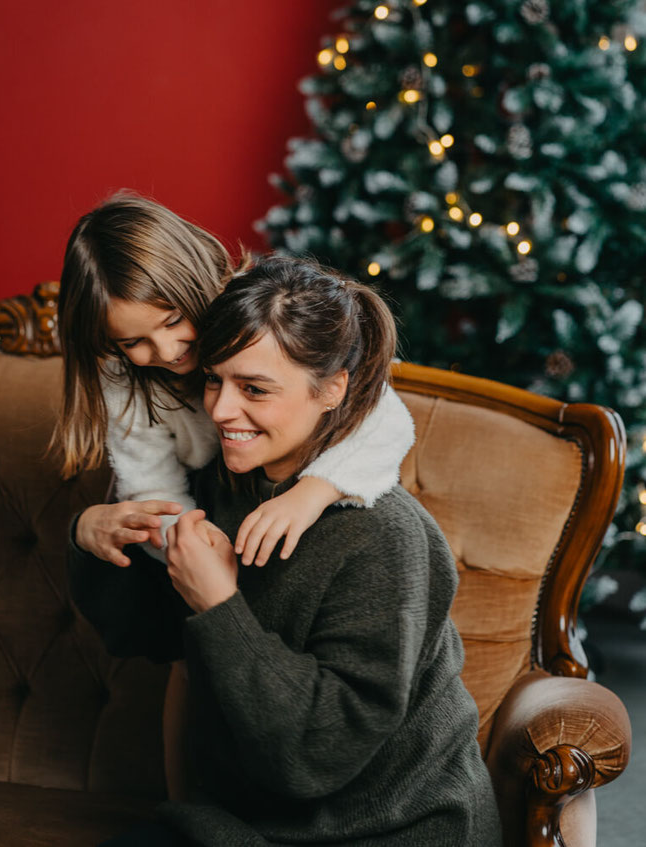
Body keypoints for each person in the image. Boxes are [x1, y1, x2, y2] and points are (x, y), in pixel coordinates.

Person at [68, 256, 503, 847]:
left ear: (331, 390)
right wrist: (92, 535)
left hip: (391, 830)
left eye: (254, 389)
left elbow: (317, 754)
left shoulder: (384, 536)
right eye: (215, 380)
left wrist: (218, 602)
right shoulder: (224, 483)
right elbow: (143, 636)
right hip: (243, 823)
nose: (220, 410)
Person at [54, 193, 414, 569]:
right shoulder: (123, 384)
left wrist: (311, 494)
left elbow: (386, 421)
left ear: (197, 284)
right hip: (219, 510)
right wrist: (193, 543)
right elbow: (152, 488)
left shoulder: (255, 312)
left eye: (173, 320)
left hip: (307, 498)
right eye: (133, 342)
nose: (165, 350)